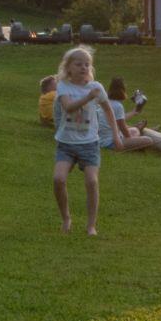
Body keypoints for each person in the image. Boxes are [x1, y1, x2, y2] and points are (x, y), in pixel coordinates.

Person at [51, 44, 117, 234]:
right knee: (58, 179)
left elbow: (108, 110)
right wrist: (88, 98)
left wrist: (116, 135)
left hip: (89, 144)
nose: (83, 67)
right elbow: (68, 107)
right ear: (68, 67)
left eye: (87, 64)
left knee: (92, 182)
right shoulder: (63, 86)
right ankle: (66, 219)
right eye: (78, 64)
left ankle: (91, 225)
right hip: (66, 143)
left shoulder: (96, 87)